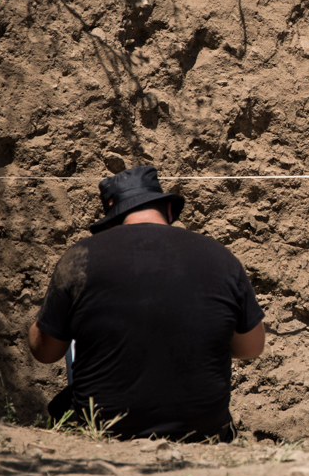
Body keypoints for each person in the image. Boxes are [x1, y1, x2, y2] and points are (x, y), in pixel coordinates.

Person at [27, 165, 266, 441]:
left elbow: (45, 353)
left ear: (111, 223)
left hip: (105, 433)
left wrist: (45, 322)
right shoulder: (222, 258)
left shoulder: (79, 257)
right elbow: (252, 347)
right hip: (203, 434)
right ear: (168, 210)